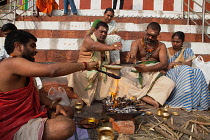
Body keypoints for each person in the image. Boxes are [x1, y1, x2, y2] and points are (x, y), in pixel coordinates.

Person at [0, 30, 98, 140]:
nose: (35, 51)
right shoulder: (11, 63)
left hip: (30, 114)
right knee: (66, 126)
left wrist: (54, 105)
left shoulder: (22, 66)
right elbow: (52, 70)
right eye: (32, 46)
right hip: (15, 126)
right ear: (18, 46)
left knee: (67, 111)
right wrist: (85, 65)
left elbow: (34, 94)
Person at [118, 22, 175, 108]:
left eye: (154, 36)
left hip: (153, 72)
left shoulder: (161, 46)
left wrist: (147, 69)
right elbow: (133, 52)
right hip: (139, 71)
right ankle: (146, 98)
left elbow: (164, 63)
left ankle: (140, 96)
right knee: (122, 81)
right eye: (148, 34)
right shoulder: (136, 43)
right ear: (145, 31)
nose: (150, 38)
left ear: (158, 35)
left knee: (170, 84)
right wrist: (131, 56)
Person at [67, 21, 122, 106]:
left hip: (98, 70)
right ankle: (79, 97)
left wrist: (111, 64)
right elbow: (93, 46)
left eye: (105, 32)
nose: (103, 34)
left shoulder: (104, 44)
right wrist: (111, 47)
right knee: (75, 73)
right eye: (101, 31)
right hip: (84, 69)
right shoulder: (88, 40)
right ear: (95, 30)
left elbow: (104, 61)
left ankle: (104, 96)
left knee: (115, 73)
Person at [165, 31, 210, 111]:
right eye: (173, 41)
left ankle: (196, 102)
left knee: (197, 72)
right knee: (186, 70)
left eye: (178, 42)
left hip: (184, 71)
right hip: (171, 73)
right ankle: (180, 102)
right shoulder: (166, 51)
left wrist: (174, 63)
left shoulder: (187, 51)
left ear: (182, 42)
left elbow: (188, 64)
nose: (175, 43)